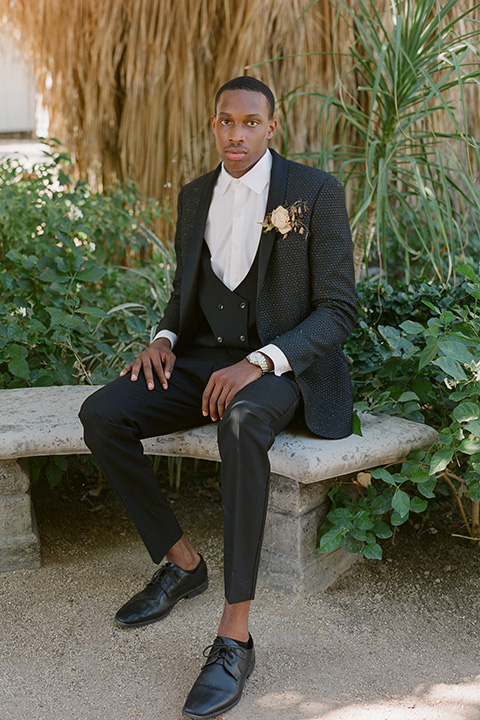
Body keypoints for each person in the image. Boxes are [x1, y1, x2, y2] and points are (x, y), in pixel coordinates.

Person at [79, 76, 357, 719]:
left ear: (272, 127)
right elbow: (184, 290)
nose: (236, 134)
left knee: (240, 425)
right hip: (201, 359)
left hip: (282, 367)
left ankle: (235, 634)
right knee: (102, 414)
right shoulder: (194, 195)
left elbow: (339, 309)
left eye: (249, 123)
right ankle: (182, 563)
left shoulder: (314, 193)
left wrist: (259, 362)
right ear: (215, 125)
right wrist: (164, 336)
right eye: (225, 122)